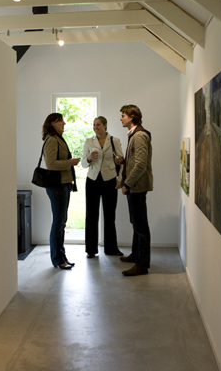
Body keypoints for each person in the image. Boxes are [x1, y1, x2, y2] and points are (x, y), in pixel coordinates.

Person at [81, 116, 124, 258]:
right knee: (91, 215)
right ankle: (91, 249)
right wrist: (88, 158)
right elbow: (83, 163)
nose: (95, 127)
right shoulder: (89, 141)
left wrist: (120, 179)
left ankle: (111, 248)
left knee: (110, 215)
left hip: (110, 180)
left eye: (98, 124)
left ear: (105, 125)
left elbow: (122, 162)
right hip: (92, 180)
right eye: (94, 125)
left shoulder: (114, 141)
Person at [41, 113, 80, 270]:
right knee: (59, 222)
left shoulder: (57, 138)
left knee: (61, 222)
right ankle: (58, 259)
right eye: (60, 121)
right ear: (52, 123)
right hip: (56, 186)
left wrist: (68, 181)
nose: (64, 123)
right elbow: (51, 164)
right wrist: (69, 163)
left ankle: (61, 257)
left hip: (62, 185)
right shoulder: (51, 140)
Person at [118, 105, 153, 276]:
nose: (121, 118)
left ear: (132, 117)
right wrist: (124, 162)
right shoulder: (134, 134)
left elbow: (140, 164)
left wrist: (127, 184)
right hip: (135, 186)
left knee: (140, 226)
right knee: (136, 223)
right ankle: (135, 255)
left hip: (136, 187)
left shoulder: (139, 136)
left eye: (123, 115)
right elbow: (135, 161)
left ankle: (142, 265)